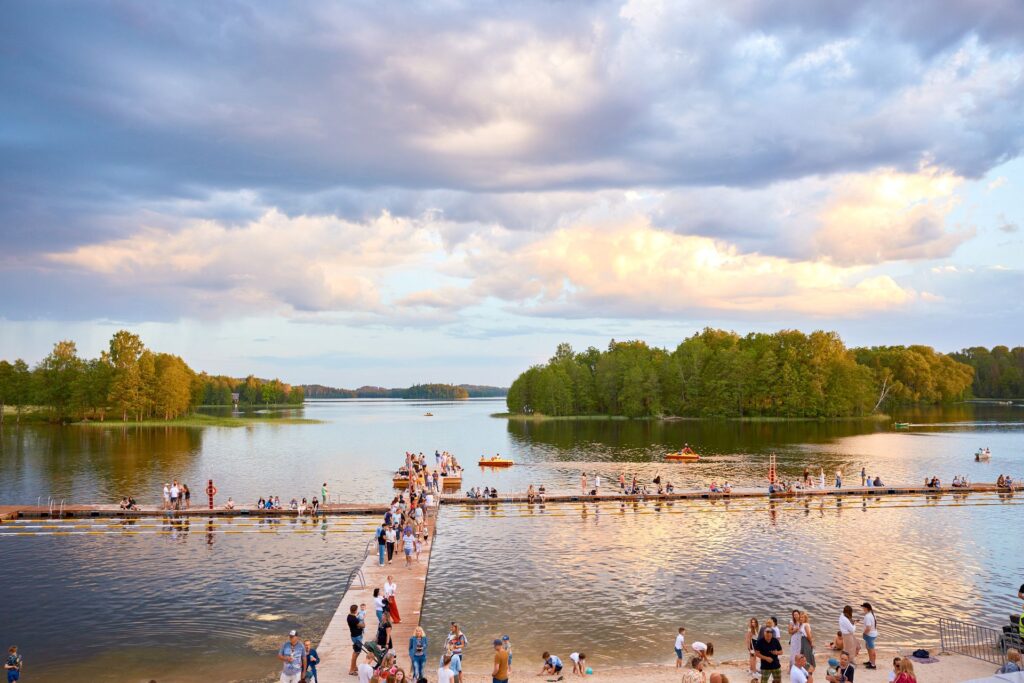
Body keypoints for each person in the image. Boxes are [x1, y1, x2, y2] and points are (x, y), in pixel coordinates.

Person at [346, 604, 364, 676]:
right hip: (357, 637)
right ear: (356, 610)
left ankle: (354, 667)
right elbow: (363, 625)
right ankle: (351, 670)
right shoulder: (354, 619)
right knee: (356, 653)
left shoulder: (349, 616)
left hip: (354, 635)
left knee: (356, 652)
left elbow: (357, 625)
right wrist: (361, 619)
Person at [860, 603, 877, 669]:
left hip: (869, 635)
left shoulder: (867, 616)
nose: (863, 609)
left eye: (863, 608)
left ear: (866, 608)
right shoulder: (872, 614)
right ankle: (870, 661)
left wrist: (864, 633)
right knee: (868, 648)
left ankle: (873, 664)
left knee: (871, 649)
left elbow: (868, 628)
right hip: (873, 633)